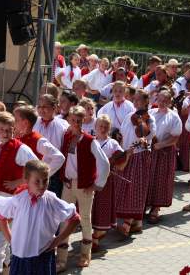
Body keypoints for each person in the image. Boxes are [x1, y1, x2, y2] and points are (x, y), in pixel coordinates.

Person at [0, 160, 80, 274]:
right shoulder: (19, 199)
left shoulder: (51, 199)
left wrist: (58, 240)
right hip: (19, 256)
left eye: (45, 180)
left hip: (42, 256)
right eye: (37, 181)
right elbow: (2, 218)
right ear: (26, 180)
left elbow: (75, 218)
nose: (42, 185)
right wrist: (12, 240)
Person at [56, 106, 110, 271]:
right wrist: (63, 178)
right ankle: (61, 260)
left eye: (79, 120)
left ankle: (85, 255)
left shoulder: (89, 140)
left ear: (84, 121)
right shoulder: (65, 137)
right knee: (65, 220)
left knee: (85, 219)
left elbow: (104, 163)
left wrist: (96, 184)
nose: (76, 123)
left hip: (84, 186)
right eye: (73, 120)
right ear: (68, 120)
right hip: (68, 184)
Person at [116, 90, 156, 235]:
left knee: (136, 189)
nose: (136, 102)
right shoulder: (129, 116)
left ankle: (128, 223)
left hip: (140, 155)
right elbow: (122, 133)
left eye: (139, 100)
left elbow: (150, 135)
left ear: (146, 101)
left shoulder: (149, 118)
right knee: (126, 187)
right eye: (135, 100)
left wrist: (143, 132)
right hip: (128, 153)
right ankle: (137, 222)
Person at [91, 114, 132, 251]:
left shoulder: (113, 144)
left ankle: (96, 236)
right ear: (95, 127)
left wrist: (127, 155)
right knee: (90, 209)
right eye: (100, 126)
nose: (102, 129)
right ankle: (92, 235)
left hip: (106, 182)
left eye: (105, 127)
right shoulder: (91, 141)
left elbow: (120, 165)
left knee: (102, 208)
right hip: (90, 180)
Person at [146, 90, 182, 223]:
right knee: (149, 178)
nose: (162, 103)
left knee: (161, 180)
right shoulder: (150, 113)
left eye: (165, 100)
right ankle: (146, 205)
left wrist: (161, 145)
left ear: (169, 102)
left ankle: (156, 208)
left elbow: (176, 136)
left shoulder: (173, 117)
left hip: (164, 153)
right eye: (160, 100)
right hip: (150, 150)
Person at [0, 112, 38, 195]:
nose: (5, 133)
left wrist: (19, 182)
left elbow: (38, 168)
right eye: (2, 129)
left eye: (9, 130)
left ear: (14, 129)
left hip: (10, 196)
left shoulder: (20, 148)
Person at [13, 105, 65, 176]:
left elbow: (59, 158)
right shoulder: (16, 137)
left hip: (29, 184)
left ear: (25, 123)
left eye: (16, 120)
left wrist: (42, 175)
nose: (13, 122)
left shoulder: (37, 140)